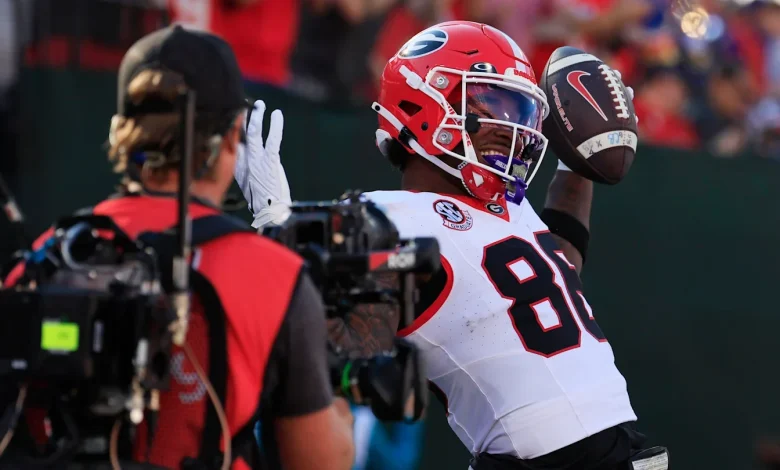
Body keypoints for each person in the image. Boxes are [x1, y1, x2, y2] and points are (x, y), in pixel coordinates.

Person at [239, 20, 670, 470]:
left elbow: (560, 265)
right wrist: (276, 229)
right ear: (424, 105)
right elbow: (314, 335)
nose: (513, 128)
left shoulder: (507, 206)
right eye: (496, 104)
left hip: (615, 450)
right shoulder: (392, 217)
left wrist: (575, 164)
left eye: (520, 111)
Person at [3, 25, 354, 470]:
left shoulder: (52, 253)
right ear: (233, 137)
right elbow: (318, 462)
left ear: (124, 132)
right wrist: (341, 411)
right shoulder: (275, 276)